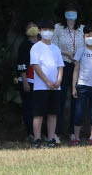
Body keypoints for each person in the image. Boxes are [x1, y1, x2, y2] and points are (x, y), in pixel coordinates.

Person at [30, 19, 64, 148]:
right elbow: (35, 65)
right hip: (40, 86)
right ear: (39, 31)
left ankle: (51, 139)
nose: (47, 33)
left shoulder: (55, 48)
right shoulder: (36, 47)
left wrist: (59, 80)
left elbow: (60, 66)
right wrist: (47, 81)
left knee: (53, 113)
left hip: (55, 87)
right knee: (38, 113)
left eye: (50, 30)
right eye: (45, 30)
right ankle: (37, 139)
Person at [53, 3, 84, 138]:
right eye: (68, 11)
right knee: (60, 98)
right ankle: (57, 131)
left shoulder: (82, 29)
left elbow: (88, 45)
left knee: (75, 98)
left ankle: (73, 131)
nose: (71, 14)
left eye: (74, 12)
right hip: (62, 65)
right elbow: (52, 47)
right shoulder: (58, 28)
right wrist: (66, 53)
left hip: (78, 66)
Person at [16, 21, 38, 141]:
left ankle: (39, 132)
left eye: (34, 26)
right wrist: (24, 81)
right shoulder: (24, 45)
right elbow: (21, 64)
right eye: (29, 27)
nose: (32, 29)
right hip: (27, 80)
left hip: (39, 80)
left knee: (38, 107)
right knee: (28, 107)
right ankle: (30, 133)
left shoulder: (42, 44)